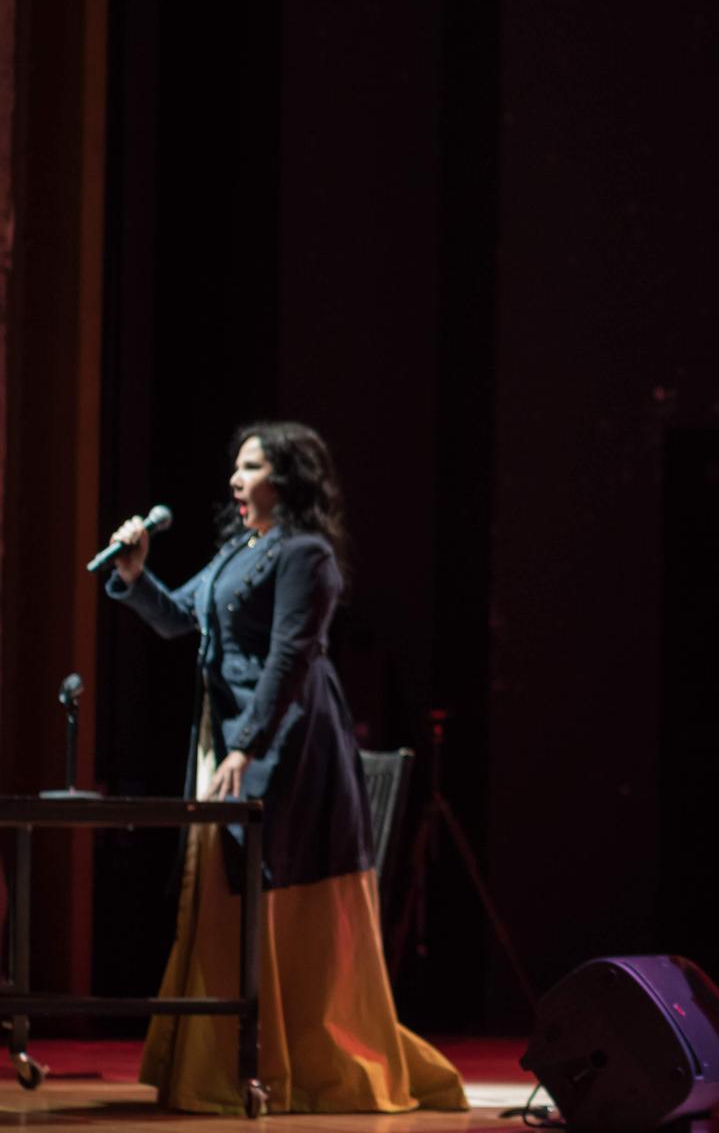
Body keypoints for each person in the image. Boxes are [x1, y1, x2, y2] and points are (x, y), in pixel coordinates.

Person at [105, 421, 465, 1117]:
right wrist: (133, 573)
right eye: (236, 468)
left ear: (287, 478)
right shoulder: (243, 547)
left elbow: (290, 656)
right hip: (233, 735)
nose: (235, 481)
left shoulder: (307, 554)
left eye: (250, 467)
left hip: (287, 740)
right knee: (221, 893)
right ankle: (223, 1060)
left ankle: (277, 1059)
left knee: (261, 889)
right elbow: (181, 619)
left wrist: (246, 745)